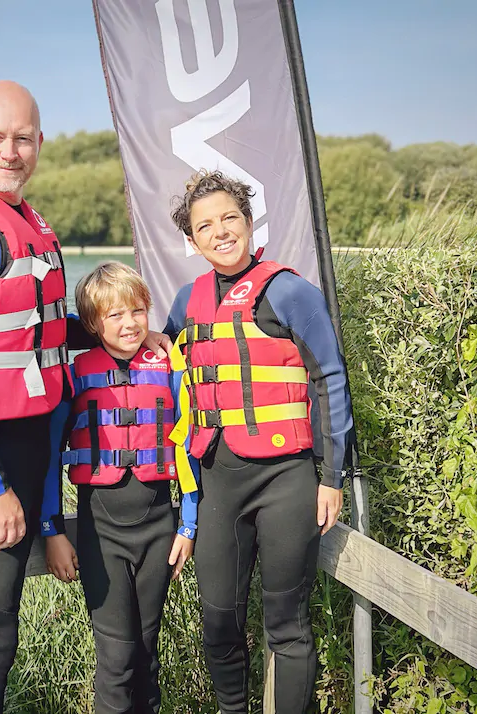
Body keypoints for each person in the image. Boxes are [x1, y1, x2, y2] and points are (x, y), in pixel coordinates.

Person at [0, 81, 169, 714]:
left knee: (2, 634)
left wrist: (122, 329)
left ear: (39, 142)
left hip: (26, 445)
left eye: (23, 138)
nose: (10, 151)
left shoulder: (21, 217)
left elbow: (30, 333)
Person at [164, 170, 354, 713]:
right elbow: (154, 359)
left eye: (230, 218)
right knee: (219, 617)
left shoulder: (290, 291)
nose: (220, 232)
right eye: (206, 226)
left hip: (286, 480)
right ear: (193, 240)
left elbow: (331, 380)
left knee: (286, 623)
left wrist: (332, 477)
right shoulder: (187, 301)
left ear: (249, 222)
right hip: (219, 481)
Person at [41, 262, 199, 714]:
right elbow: (50, 458)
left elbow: (186, 448)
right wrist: (52, 531)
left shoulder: (170, 368)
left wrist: (187, 526)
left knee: (148, 654)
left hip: (158, 529)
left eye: (137, 311)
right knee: (117, 660)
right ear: (92, 325)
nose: (130, 323)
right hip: (101, 533)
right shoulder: (74, 375)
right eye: (115, 316)